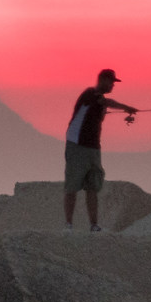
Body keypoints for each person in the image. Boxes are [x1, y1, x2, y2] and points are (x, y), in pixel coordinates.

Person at [62, 68, 138, 231]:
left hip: (94, 148)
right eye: (111, 82)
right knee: (72, 186)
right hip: (77, 145)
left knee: (93, 186)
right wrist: (126, 107)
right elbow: (106, 102)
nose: (112, 85)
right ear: (102, 80)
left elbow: (101, 110)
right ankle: (68, 224)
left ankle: (94, 225)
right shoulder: (90, 94)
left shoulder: (99, 101)